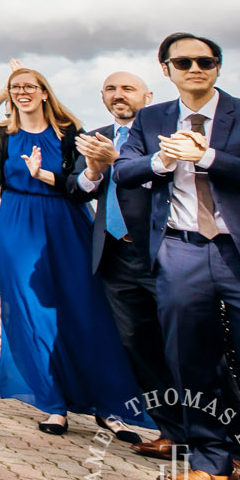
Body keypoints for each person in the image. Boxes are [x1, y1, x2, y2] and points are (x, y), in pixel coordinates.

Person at [112, 34, 240, 480]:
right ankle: (213, 462)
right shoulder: (150, 119)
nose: (195, 68)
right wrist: (162, 162)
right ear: (166, 69)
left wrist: (208, 158)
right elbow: (125, 173)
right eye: (183, 61)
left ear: (218, 67)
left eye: (205, 61)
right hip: (181, 250)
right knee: (189, 362)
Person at [0, 64, 136, 436]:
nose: (22, 92)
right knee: (34, 313)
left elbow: (81, 183)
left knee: (87, 309)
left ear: (45, 92)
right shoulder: (1, 133)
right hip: (19, 224)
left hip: (67, 220)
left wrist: (46, 176)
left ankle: (107, 406)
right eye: (16, 88)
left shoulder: (70, 132)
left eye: (30, 86)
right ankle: (53, 404)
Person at [66, 71, 174, 459]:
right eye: (111, 89)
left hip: (163, 251)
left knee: (185, 345)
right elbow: (76, 190)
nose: (119, 95)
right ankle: (171, 431)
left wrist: (119, 163)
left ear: (148, 94)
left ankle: (229, 444)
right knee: (138, 346)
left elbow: (171, 182)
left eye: (127, 88)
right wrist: (93, 170)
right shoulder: (94, 137)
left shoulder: (165, 133)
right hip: (113, 254)